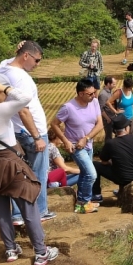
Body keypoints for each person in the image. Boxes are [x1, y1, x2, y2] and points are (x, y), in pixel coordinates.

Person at [0, 73, 59, 265]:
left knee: (1, 208)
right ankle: (41, 252)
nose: (6, 96)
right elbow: (25, 98)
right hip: (9, 164)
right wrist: (4, 88)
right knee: (28, 206)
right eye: (2, 92)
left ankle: (11, 249)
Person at [0, 40, 56, 226]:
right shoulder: (21, 78)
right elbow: (24, 110)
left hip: (15, 131)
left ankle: (17, 215)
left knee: (18, 173)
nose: (38, 65)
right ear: (25, 56)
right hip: (31, 132)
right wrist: (37, 136)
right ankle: (39, 211)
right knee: (38, 174)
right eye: (37, 60)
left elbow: (9, 60)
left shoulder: (4, 68)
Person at [49, 79, 105, 212]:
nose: (93, 96)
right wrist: (65, 140)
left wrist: (87, 138)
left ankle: (82, 201)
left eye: (94, 92)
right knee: (91, 174)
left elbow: (100, 123)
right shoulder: (68, 107)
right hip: (76, 146)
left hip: (88, 144)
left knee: (85, 173)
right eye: (90, 94)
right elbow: (54, 124)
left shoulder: (95, 102)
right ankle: (83, 202)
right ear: (81, 94)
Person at [97, 76, 117, 140]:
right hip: (108, 119)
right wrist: (107, 118)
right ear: (108, 84)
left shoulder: (110, 91)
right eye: (113, 84)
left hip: (113, 116)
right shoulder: (103, 94)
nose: (115, 86)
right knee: (108, 137)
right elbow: (100, 109)